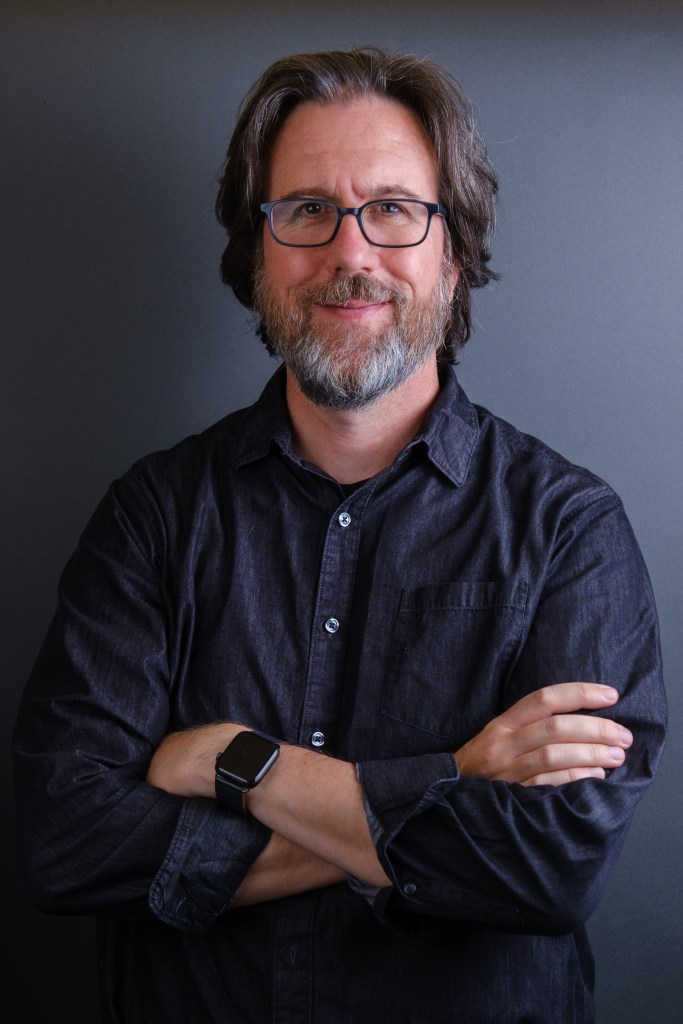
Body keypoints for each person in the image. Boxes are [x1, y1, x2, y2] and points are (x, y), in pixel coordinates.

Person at [13, 45, 667, 1024]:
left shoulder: (568, 530)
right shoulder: (153, 515)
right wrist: (452, 780)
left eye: (393, 209)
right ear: (258, 252)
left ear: (453, 252)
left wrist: (241, 761)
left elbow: (545, 869)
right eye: (308, 209)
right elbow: (67, 841)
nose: (350, 254)